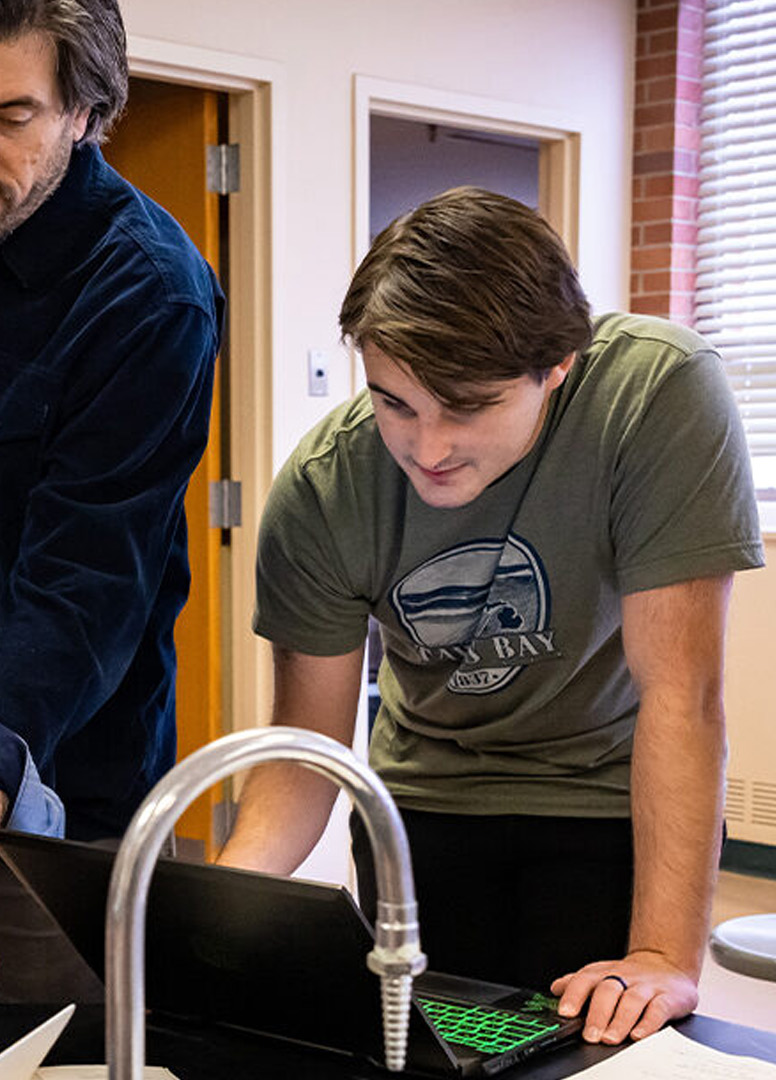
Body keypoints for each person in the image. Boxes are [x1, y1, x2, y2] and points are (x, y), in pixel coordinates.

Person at [220, 186, 763, 1047]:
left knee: (599, 1048)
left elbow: (682, 698)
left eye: (467, 406)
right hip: (423, 807)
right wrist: (220, 905)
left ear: (559, 366)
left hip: (608, 796)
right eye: (395, 402)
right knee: (420, 1057)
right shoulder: (328, 484)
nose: (426, 449)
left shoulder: (656, 397)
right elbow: (309, 752)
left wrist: (662, 953)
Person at [0, 0, 224, 1067]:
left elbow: (77, 595)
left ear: (86, 110)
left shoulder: (150, 296)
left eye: (14, 116)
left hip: (49, 839)